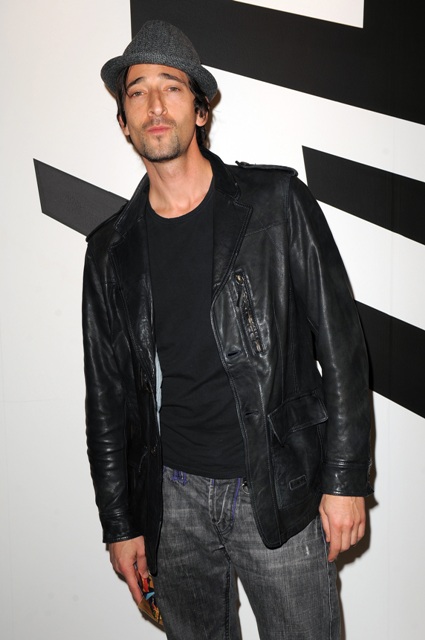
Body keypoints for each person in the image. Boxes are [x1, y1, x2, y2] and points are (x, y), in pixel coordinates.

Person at [83, 19, 372, 640]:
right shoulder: (110, 250)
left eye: (171, 87)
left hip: (278, 486)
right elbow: (106, 399)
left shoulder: (276, 203)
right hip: (172, 502)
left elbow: (342, 347)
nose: (155, 106)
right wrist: (120, 522)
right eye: (137, 92)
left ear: (200, 110)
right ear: (124, 120)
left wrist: (345, 479)